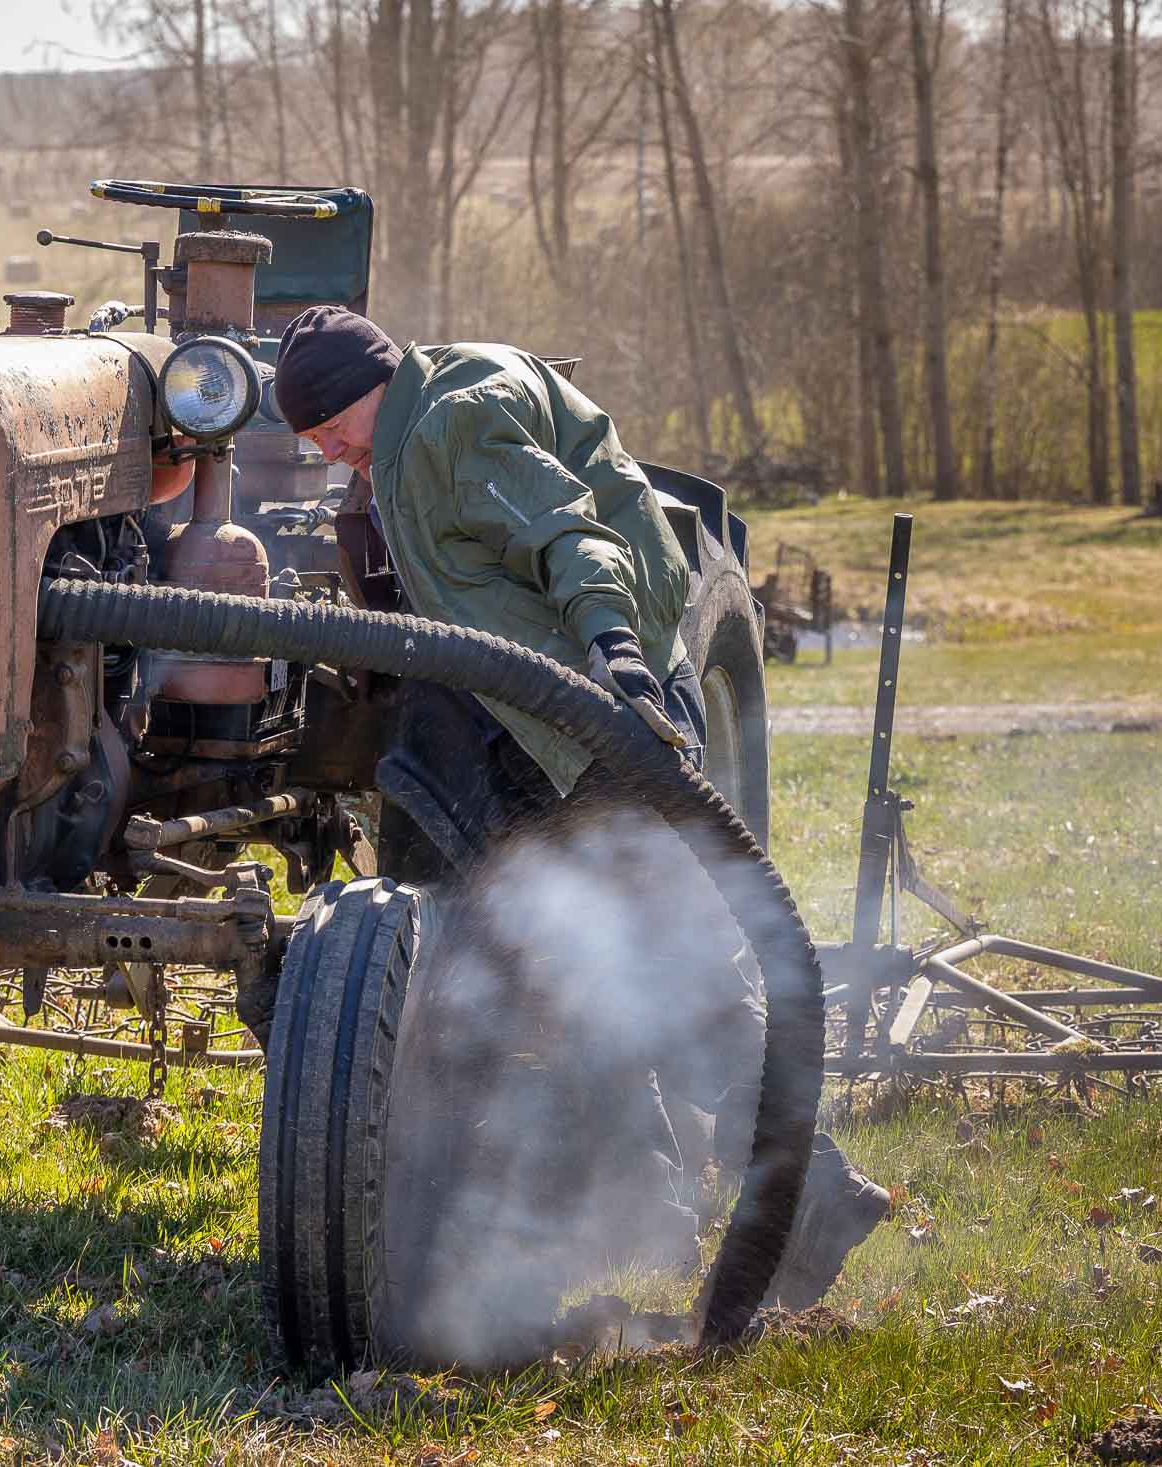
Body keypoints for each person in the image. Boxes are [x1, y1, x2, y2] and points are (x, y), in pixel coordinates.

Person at [269, 305, 889, 1321]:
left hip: (596, 718)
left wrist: (615, 656)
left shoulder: (451, 424)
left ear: (374, 382)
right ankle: (665, 1182)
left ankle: (806, 1196)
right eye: (308, 434)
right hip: (554, 723)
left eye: (330, 421)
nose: (325, 446)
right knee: (593, 959)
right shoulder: (426, 411)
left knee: (645, 973)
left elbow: (568, 531)